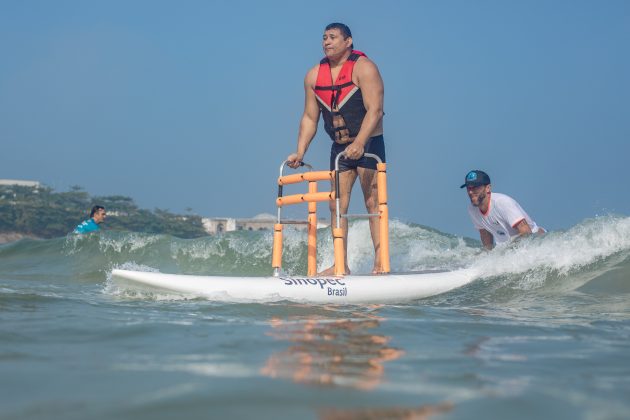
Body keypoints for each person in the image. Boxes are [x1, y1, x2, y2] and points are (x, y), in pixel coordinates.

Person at [286, 22, 386, 275]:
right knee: (335, 205)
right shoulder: (313, 75)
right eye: (324, 38)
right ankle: (340, 264)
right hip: (339, 148)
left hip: (369, 144)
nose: (326, 42)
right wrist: (300, 152)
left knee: (372, 202)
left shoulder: (364, 68)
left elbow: (375, 110)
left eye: (332, 37)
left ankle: (380, 261)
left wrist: (360, 142)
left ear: (348, 41)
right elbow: (310, 118)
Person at [461, 170, 545, 250]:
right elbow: (485, 233)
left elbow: (527, 233)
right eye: (469, 188)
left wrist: (510, 249)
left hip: (538, 243)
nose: (471, 192)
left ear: (488, 188)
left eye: (475, 187)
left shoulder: (502, 203)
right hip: (509, 248)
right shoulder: (472, 209)